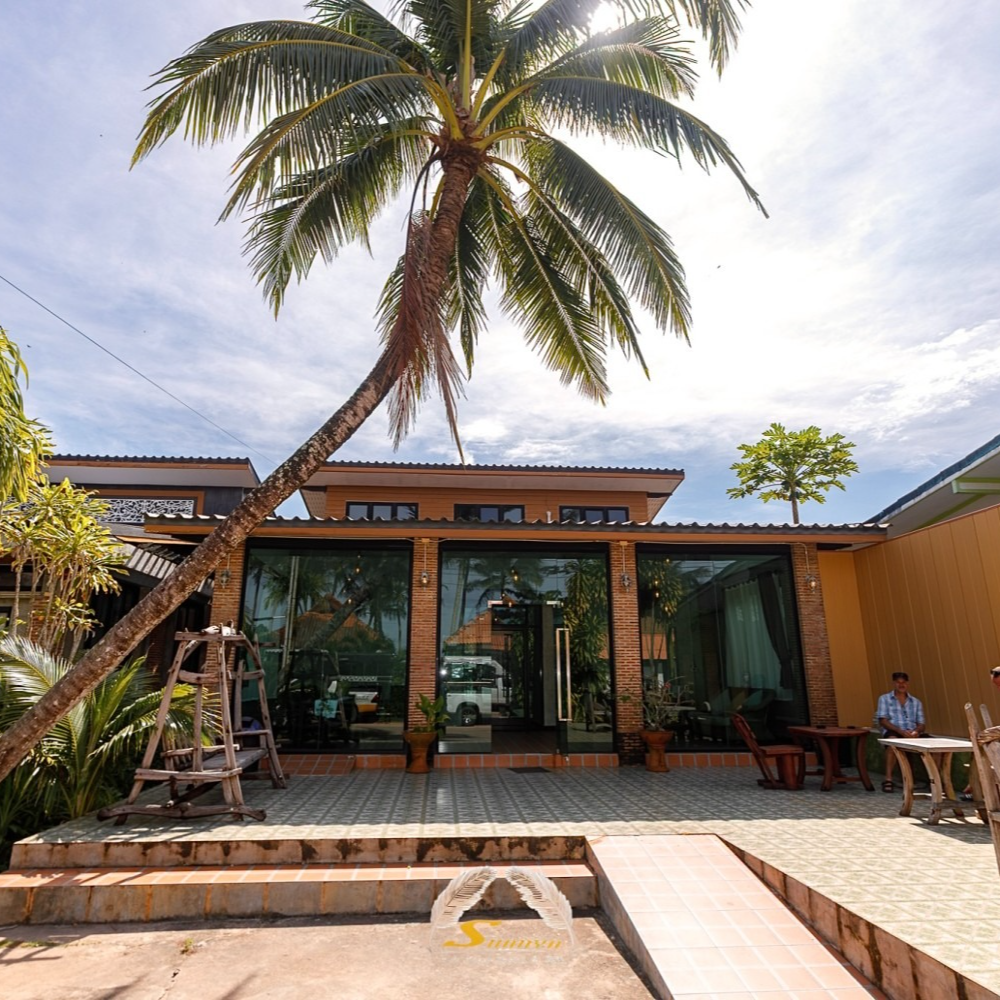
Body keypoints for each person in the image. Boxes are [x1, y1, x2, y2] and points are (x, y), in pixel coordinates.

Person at [876, 671, 925, 792]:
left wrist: (916, 732)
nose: (901, 685)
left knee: (937, 747)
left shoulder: (916, 702)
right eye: (898, 682)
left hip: (912, 733)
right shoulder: (885, 699)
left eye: (903, 682)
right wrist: (900, 731)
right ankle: (888, 779)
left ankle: (934, 780)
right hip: (894, 730)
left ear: (907, 684)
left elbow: (922, 724)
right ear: (894, 683)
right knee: (893, 744)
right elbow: (883, 720)